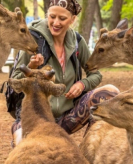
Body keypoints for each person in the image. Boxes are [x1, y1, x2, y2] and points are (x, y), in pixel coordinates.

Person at [10, 0, 120, 147]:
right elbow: (14, 82)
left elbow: (96, 74)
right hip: (34, 119)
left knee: (110, 92)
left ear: (73, 19)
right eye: (52, 16)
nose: (56, 22)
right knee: (24, 150)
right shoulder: (34, 40)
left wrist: (82, 84)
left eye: (62, 18)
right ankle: (23, 139)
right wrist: (31, 66)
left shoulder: (77, 41)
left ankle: (88, 150)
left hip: (66, 118)